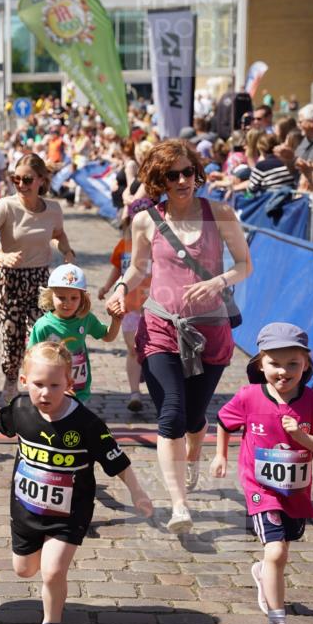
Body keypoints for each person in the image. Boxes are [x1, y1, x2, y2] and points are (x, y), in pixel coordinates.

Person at [0, 341, 153, 624]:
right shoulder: (21, 409)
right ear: (23, 382)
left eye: (55, 385)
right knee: (25, 570)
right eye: (38, 385)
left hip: (69, 514)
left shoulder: (86, 423)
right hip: (26, 510)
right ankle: (51, 597)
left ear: (69, 385)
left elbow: (117, 460)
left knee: (52, 571)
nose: (45, 393)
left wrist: (137, 492)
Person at [106, 139, 252, 534]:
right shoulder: (146, 220)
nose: (184, 180)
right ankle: (179, 506)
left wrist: (218, 282)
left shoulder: (219, 213)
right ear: (159, 180)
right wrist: (121, 288)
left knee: (192, 418)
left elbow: (244, 264)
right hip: (161, 326)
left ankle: (192, 457)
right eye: (174, 175)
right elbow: (137, 268)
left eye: (189, 172)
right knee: (170, 410)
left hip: (211, 331)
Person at [210, 323, 313, 624]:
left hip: (296, 492)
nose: (283, 371)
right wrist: (219, 456)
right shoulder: (248, 396)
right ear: (260, 364)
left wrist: (301, 437)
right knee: (277, 552)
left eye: (293, 364)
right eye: (275, 363)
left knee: (282, 548)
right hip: (260, 489)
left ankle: (262, 574)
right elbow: (225, 421)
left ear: (306, 366)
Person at [0, 153, 76, 401]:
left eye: (26, 179)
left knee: (40, 339)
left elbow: (59, 235)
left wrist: (68, 252)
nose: (20, 185)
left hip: (40, 282)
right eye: (15, 179)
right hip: (10, 282)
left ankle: (40, 389)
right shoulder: (6, 206)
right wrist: (0, 256)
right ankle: (11, 380)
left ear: (41, 180)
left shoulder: (53, 209)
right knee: (12, 343)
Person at [29, 264, 122, 404]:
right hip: (51, 391)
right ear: (50, 296)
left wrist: (116, 320)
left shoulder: (85, 319)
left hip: (80, 391)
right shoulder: (43, 326)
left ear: (82, 298)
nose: (68, 303)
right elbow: (31, 359)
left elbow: (108, 336)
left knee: (76, 425)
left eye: (74, 298)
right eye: (61, 297)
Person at [98, 198, 154, 412]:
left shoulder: (159, 245)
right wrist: (106, 287)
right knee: (133, 350)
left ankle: (152, 380)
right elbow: (117, 270)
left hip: (155, 308)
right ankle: (134, 394)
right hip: (129, 306)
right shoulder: (123, 245)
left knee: (152, 351)